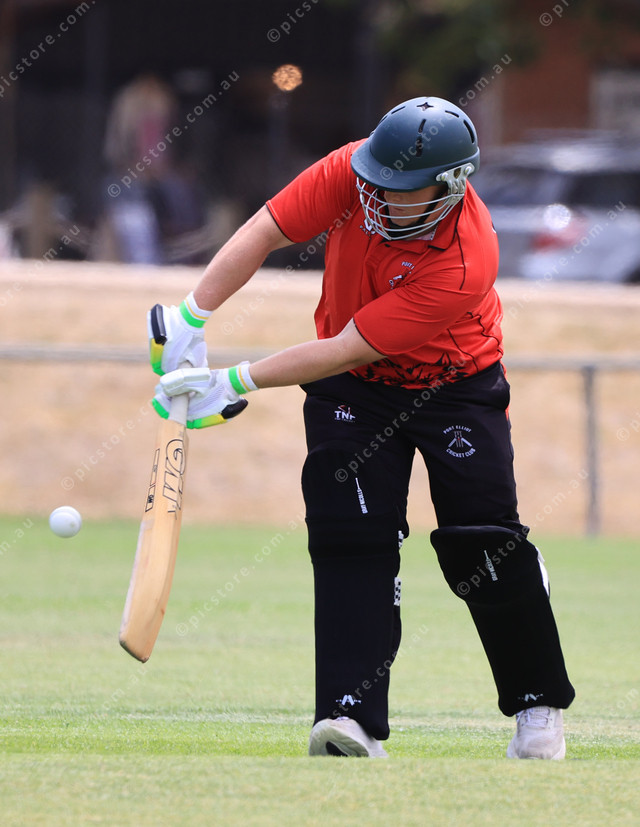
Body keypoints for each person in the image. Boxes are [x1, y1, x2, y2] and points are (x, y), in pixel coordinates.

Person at [149, 96, 575, 759]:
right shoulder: (355, 169)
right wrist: (191, 317)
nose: (377, 197)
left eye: (401, 189)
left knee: (482, 548)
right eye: (376, 180)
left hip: (453, 386)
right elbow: (264, 231)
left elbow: (349, 346)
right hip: (354, 390)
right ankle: (349, 718)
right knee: (349, 534)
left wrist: (233, 381)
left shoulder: (466, 258)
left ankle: (536, 706)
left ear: (450, 185)